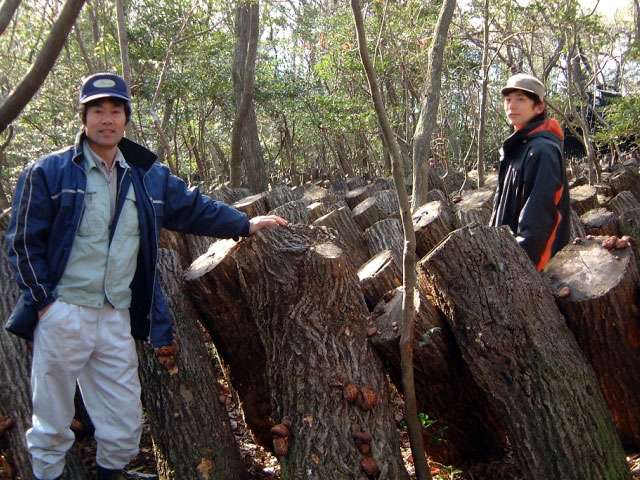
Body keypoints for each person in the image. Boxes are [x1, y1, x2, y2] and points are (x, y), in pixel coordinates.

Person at [4, 72, 286, 480]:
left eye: (115, 110)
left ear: (125, 118)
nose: (107, 119)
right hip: (64, 313)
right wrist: (47, 305)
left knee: (123, 420)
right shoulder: (47, 172)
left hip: (116, 314)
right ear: (83, 118)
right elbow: (23, 243)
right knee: (51, 420)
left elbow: (192, 207)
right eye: (97, 110)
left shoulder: (147, 174)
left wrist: (244, 224)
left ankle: (111, 473)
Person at [490, 73, 570, 271]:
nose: (512, 105)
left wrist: (516, 266)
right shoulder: (518, 148)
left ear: (539, 107)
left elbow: (539, 219)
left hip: (532, 268)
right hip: (509, 257)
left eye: (521, 99)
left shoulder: (542, 151)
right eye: (508, 100)